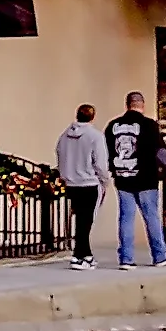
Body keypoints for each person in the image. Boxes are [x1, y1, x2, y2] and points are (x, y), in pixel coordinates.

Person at [105, 91, 166, 268]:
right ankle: (159, 255)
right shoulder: (149, 125)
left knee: (125, 218)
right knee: (151, 216)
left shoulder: (112, 126)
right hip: (146, 179)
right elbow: (160, 151)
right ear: (142, 105)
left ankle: (126, 258)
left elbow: (105, 151)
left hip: (123, 179)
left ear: (127, 104)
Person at [55, 102, 109, 269]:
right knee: (86, 221)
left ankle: (84, 254)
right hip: (89, 183)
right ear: (92, 117)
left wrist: (64, 175)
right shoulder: (95, 136)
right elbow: (100, 162)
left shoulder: (64, 135)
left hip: (71, 184)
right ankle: (80, 256)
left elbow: (59, 154)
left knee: (81, 221)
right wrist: (105, 180)